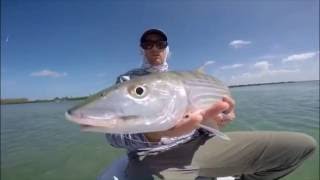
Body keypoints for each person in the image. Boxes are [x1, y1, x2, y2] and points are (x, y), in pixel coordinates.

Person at [104, 29, 316, 180]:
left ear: (168, 49)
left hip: (202, 145)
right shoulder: (127, 81)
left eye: (160, 44)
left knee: (301, 146)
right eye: (147, 44)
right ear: (141, 49)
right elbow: (113, 137)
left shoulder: (187, 78)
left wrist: (219, 120)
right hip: (153, 157)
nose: (154, 48)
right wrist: (155, 134)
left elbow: (210, 117)